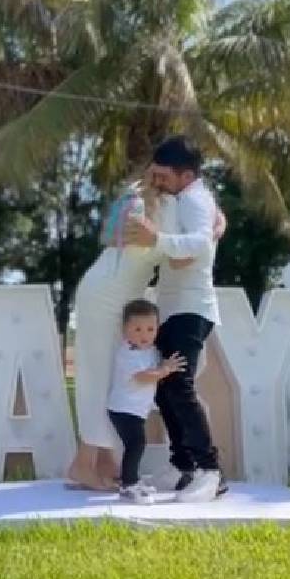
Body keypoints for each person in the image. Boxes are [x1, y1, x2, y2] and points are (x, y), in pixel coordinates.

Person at [66, 163, 227, 492]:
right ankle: (83, 464)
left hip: (114, 292)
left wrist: (211, 225)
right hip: (108, 296)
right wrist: (211, 233)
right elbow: (182, 258)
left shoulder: (140, 201)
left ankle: (106, 461)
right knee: (99, 376)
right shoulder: (163, 208)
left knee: (111, 374)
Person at [124, 135, 225, 503]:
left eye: (162, 176)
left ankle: (209, 471)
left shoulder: (197, 199)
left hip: (190, 308)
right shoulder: (183, 197)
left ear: (185, 175)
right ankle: (183, 465)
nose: (156, 182)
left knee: (179, 386)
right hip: (171, 307)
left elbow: (199, 244)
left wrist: (157, 239)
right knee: (165, 387)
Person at [106, 299, 187, 504]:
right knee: (136, 444)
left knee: (136, 444)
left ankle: (131, 480)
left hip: (135, 409)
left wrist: (164, 364)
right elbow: (143, 376)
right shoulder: (127, 354)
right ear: (125, 329)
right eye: (137, 329)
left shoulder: (149, 349)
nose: (144, 335)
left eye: (150, 329)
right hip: (123, 409)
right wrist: (165, 369)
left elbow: (154, 363)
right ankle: (128, 484)